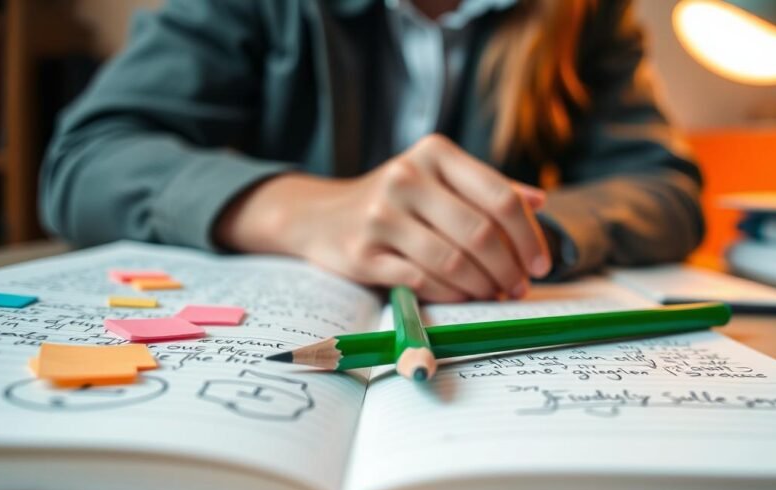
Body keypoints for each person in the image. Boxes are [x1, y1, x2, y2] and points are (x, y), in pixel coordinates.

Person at [41, 0, 704, 302]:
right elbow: (85, 159)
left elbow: (664, 190)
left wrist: (525, 235)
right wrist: (298, 213)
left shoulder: (586, 13)